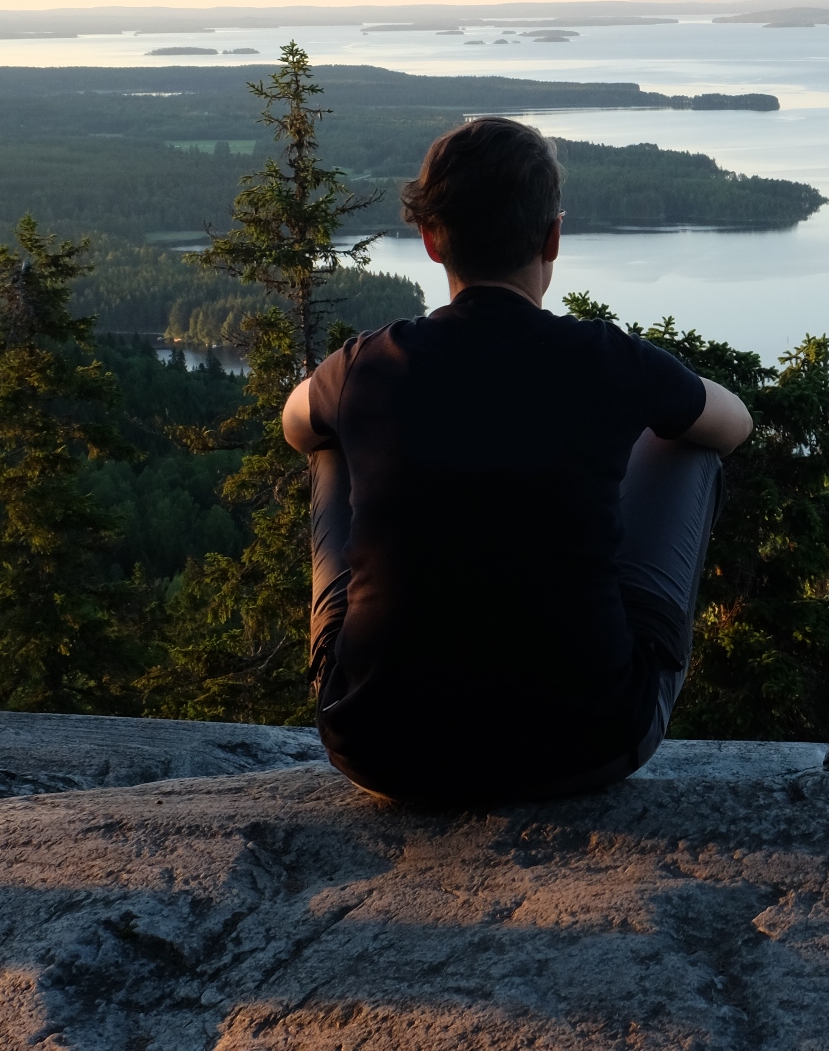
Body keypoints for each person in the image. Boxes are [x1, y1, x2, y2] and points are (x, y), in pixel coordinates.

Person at [281, 116, 752, 804]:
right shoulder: (604, 358)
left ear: (432, 239)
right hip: (584, 747)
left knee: (328, 443)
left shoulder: (370, 363)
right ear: (552, 236)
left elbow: (295, 424)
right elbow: (733, 424)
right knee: (691, 447)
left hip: (379, 747)